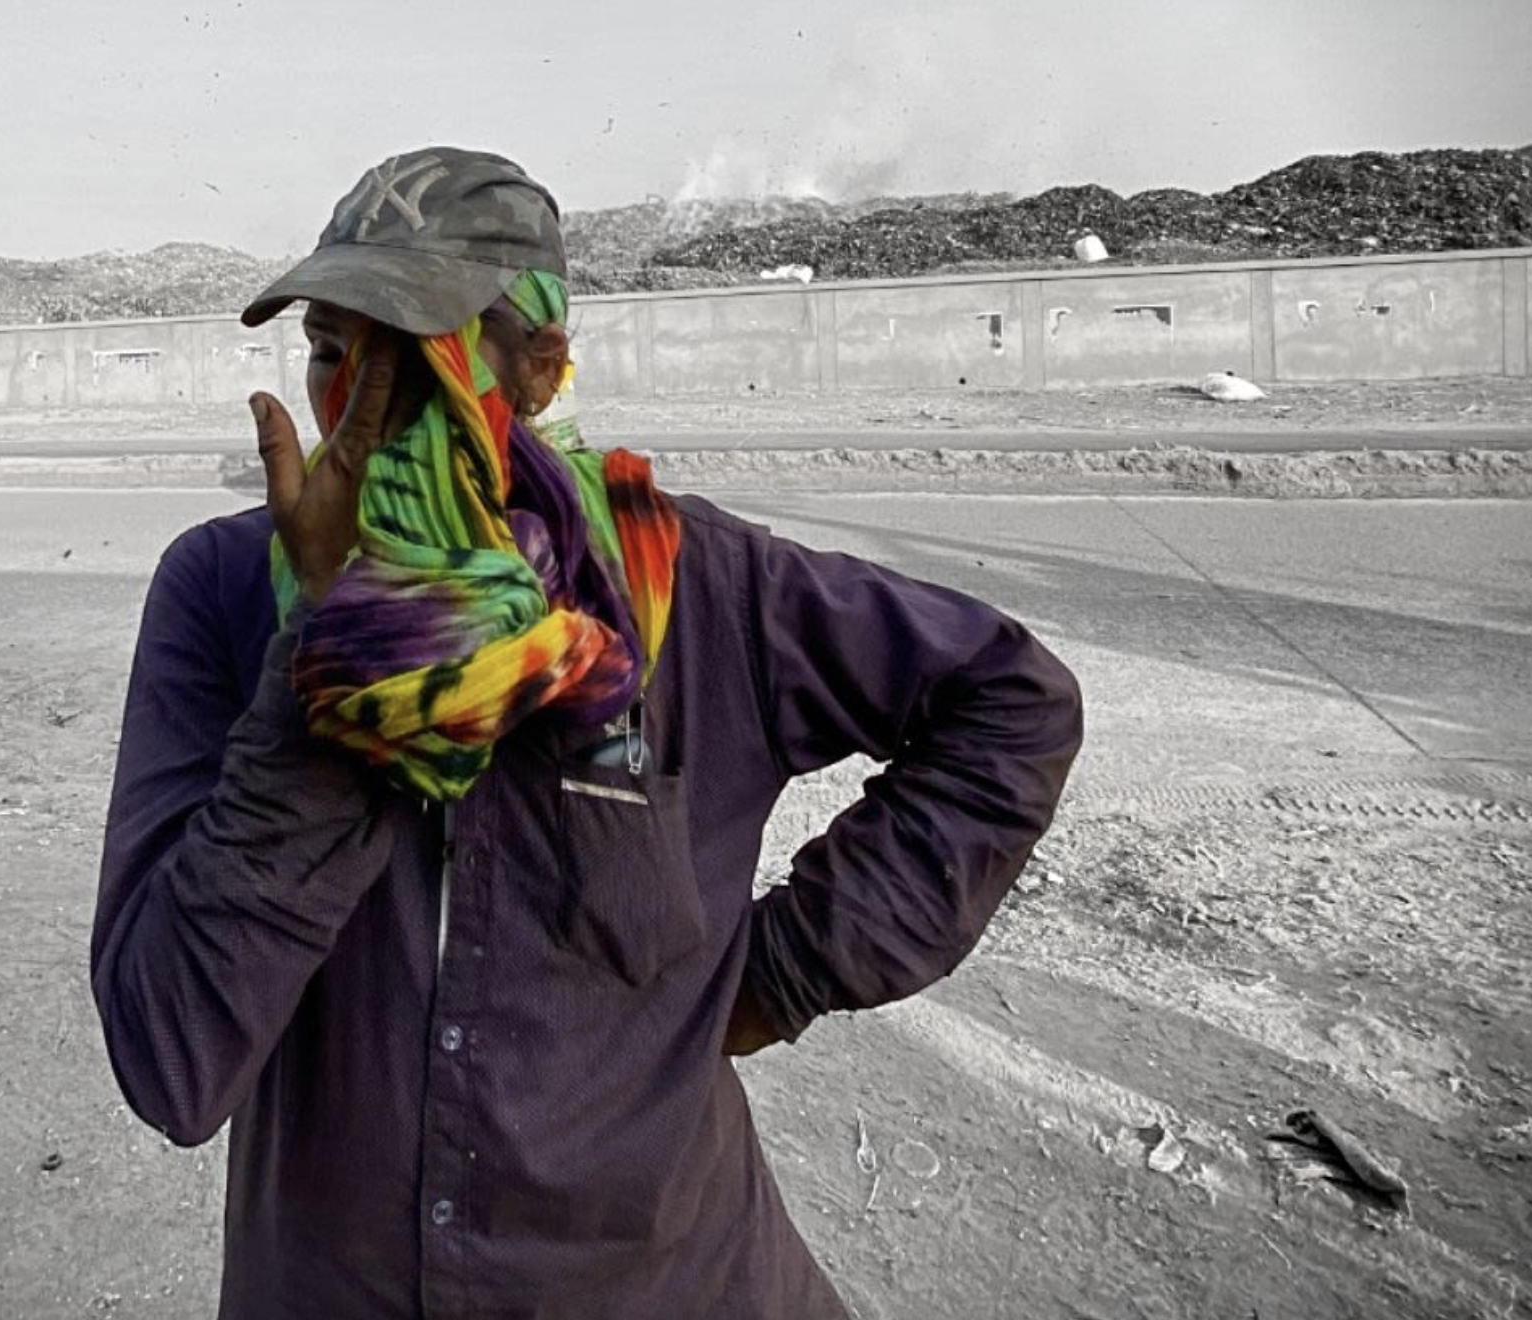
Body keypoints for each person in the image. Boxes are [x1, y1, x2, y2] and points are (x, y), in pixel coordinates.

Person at [92, 146, 1083, 1319]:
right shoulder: (222, 594)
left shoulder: (694, 586)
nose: (359, 407)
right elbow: (169, 1058)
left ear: (541, 367)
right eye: (327, 352)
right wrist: (339, 661)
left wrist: (783, 973)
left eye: (415, 360)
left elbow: (1009, 701)